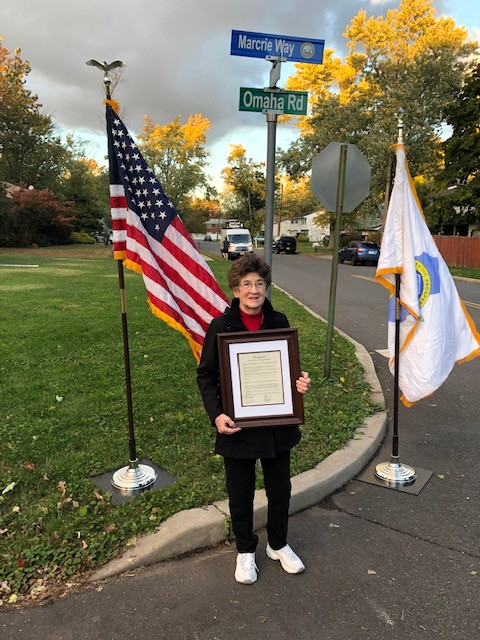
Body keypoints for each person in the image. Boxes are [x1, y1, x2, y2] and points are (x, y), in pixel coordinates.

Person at [197, 253, 311, 585]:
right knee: (240, 491)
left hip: (276, 425)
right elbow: (206, 376)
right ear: (235, 289)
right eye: (246, 284)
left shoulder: (279, 321)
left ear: (266, 287)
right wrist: (216, 414)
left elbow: (288, 371)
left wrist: (299, 383)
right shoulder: (221, 327)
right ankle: (245, 550)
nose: (253, 290)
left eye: (259, 283)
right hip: (237, 426)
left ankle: (278, 544)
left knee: (280, 489)